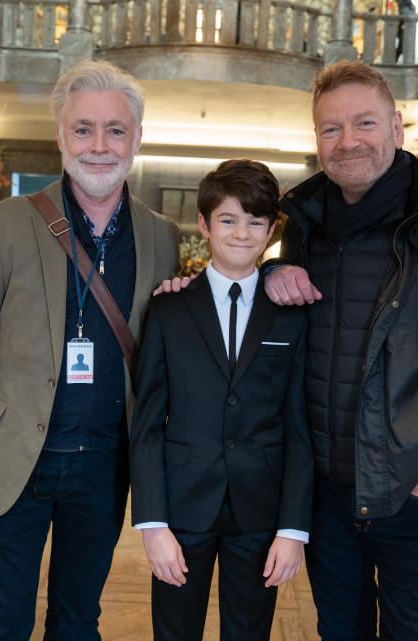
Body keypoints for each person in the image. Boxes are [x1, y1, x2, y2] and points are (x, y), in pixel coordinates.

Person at [262, 62, 418, 640]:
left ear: (398, 129)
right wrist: (273, 267)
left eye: (364, 123)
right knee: (339, 631)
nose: (347, 140)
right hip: (326, 493)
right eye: (330, 129)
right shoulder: (304, 224)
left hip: (413, 491)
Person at [0, 59, 179, 641]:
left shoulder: (160, 237)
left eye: (115, 130)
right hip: (11, 456)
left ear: (137, 139)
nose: (100, 146)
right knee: (0, 621)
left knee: (78, 620)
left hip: (103, 466)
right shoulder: (6, 223)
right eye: (84, 129)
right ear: (61, 136)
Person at [130, 159, 314, 641]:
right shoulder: (168, 308)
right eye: (228, 220)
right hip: (181, 509)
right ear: (204, 225)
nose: (241, 233)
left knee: (249, 633)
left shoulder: (290, 315)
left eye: (256, 222)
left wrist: (293, 530)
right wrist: (152, 523)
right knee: (174, 631)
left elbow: (299, 427)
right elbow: (147, 423)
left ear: (272, 230)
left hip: (260, 510)